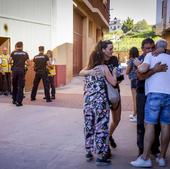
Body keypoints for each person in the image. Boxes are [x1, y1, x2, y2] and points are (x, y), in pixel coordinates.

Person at [131, 39, 170, 167]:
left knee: (150, 125)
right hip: (167, 95)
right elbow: (140, 76)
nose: (150, 50)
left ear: (156, 47)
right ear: (142, 48)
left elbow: (141, 70)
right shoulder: (167, 56)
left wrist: (138, 64)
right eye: (147, 48)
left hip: (154, 94)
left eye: (152, 47)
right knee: (165, 126)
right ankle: (162, 158)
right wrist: (155, 69)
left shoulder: (150, 56)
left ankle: (145, 158)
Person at [80, 40, 123, 150]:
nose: (112, 51)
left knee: (116, 119)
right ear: (103, 50)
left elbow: (118, 79)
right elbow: (82, 72)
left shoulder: (114, 60)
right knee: (101, 122)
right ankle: (104, 146)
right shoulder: (96, 64)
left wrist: (113, 77)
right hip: (102, 98)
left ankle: (107, 137)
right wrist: (92, 72)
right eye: (110, 49)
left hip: (112, 93)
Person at [9, 41, 29, 106]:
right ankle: (19, 102)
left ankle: (14, 100)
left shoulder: (13, 53)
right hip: (21, 70)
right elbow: (28, 63)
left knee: (14, 85)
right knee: (20, 86)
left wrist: (13, 64)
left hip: (14, 70)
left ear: (16, 46)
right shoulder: (25, 53)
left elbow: (9, 61)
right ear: (22, 46)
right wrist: (24, 63)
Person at [126, 47, 139, 122]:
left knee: (135, 99)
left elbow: (127, 71)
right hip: (138, 79)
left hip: (134, 80)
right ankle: (135, 114)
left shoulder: (131, 60)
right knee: (137, 98)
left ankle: (136, 115)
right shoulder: (138, 59)